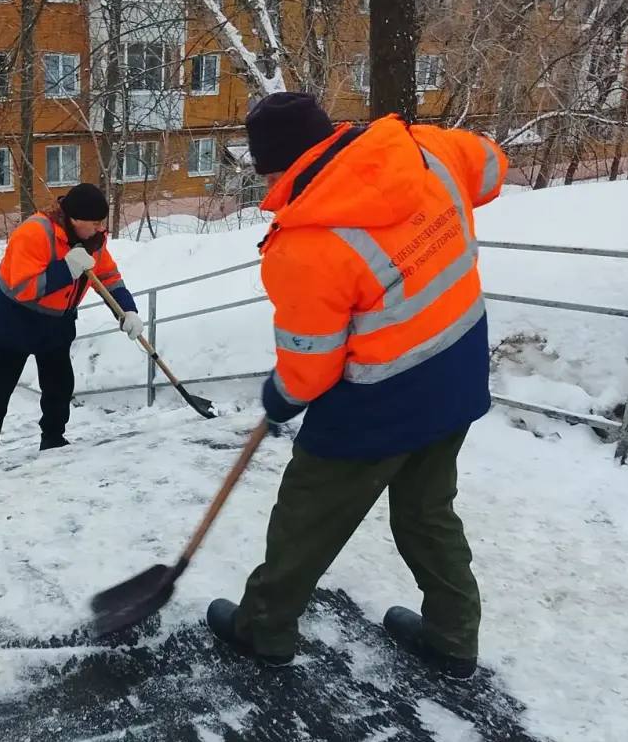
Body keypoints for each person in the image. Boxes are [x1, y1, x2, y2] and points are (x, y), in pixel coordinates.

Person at [206, 93, 508, 678]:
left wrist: (281, 397)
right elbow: (493, 167)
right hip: (457, 371)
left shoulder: (305, 244)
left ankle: (263, 629)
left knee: (306, 518)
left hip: (377, 404)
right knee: (426, 512)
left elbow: (311, 367)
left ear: (275, 165)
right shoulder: (426, 148)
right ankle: (453, 636)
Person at [0, 183, 142, 464]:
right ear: (74, 219)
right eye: (95, 223)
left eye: (102, 222)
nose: (101, 229)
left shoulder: (93, 241)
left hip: (55, 323)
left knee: (59, 386)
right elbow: (23, 287)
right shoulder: (34, 233)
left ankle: (53, 438)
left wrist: (128, 310)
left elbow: (108, 277)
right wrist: (67, 269)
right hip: (13, 323)